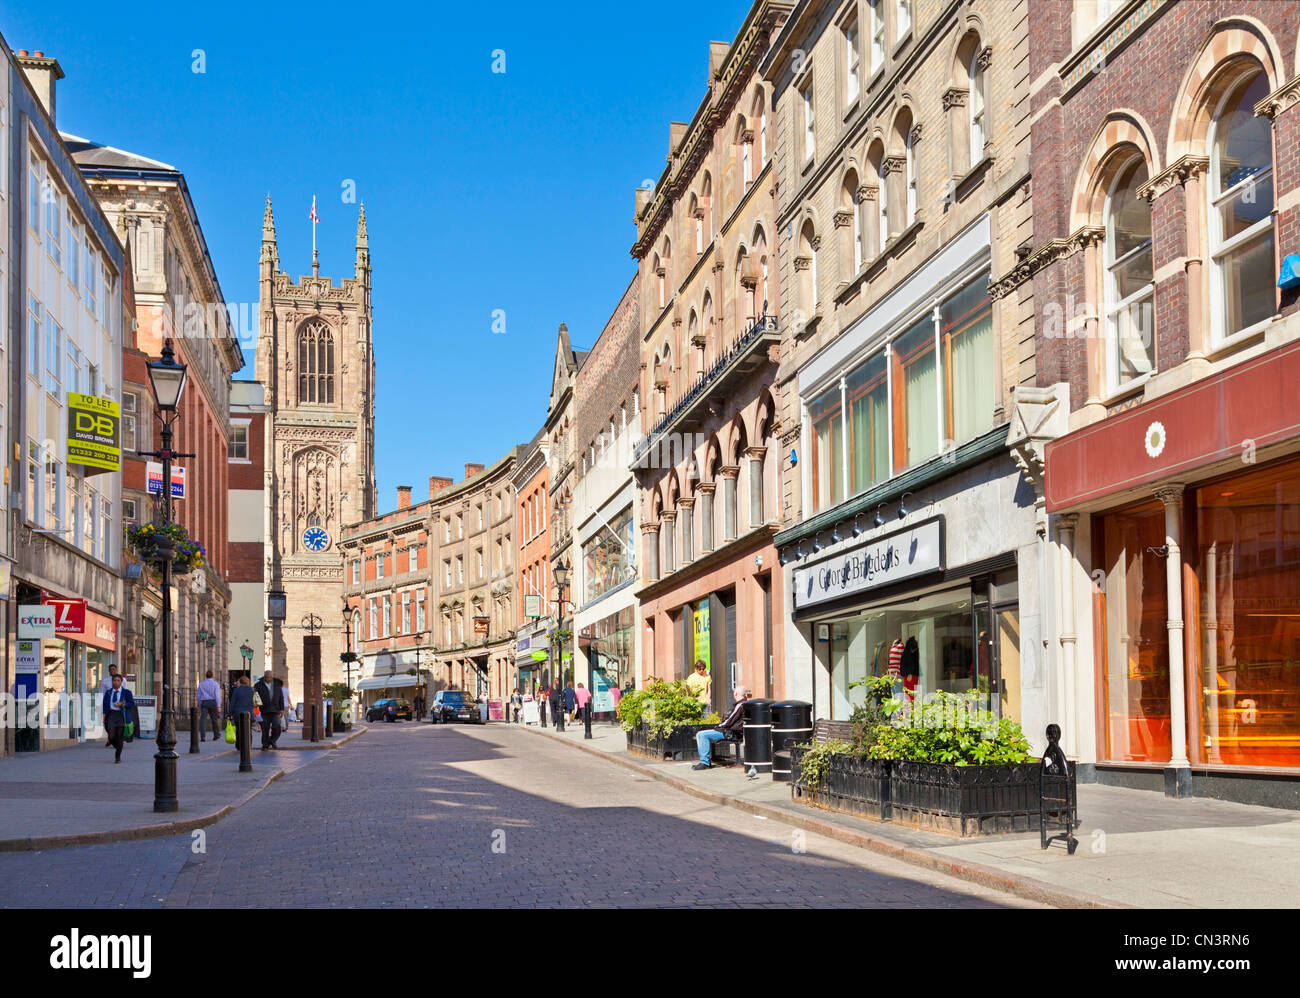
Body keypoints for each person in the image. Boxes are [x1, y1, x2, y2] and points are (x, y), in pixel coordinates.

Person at [693, 684, 750, 771]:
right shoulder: (744, 703)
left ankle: (705, 762)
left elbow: (730, 720)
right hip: (734, 731)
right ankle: (705, 761)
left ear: (736, 694)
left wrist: (719, 726)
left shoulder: (740, 705)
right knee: (701, 734)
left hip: (731, 732)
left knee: (701, 735)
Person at [102, 673, 135, 764]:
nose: (116, 682)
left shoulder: (126, 692)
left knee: (119, 736)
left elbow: (131, 703)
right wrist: (104, 715)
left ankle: (118, 756)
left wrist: (122, 704)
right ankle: (119, 747)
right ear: (112, 682)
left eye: (118, 681)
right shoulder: (108, 692)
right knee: (111, 736)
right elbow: (105, 705)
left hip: (121, 715)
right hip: (111, 715)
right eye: (114, 680)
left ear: (121, 682)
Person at [253, 670, 284, 750]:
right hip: (264, 710)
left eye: (270, 677)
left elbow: (281, 697)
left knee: (277, 725)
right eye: (267, 677)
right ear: (264, 677)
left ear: (272, 676)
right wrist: (257, 709)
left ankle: (272, 740)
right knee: (265, 728)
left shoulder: (277, 685)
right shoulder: (258, 685)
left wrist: (282, 709)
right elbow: (256, 697)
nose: (268, 679)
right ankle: (265, 744)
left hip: (275, 710)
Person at [228, 676, 255, 759]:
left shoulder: (237, 690)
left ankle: (239, 746)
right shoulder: (252, 690)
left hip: (238, 713)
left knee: (239, 730)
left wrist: (230, 713)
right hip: (249, 713)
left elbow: (232, 702)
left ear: (240, 682)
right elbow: (256, 702)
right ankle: (248, 746)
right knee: (248, 730)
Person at [196, 669, 222, 742]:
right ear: (213, 676)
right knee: (214, 719)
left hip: (204, 702)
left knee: (203, 719)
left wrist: (199, 704)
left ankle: (203, 736)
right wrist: (218, 705)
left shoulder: (201, 684)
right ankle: (216, 735)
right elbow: (217, 695)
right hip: (212, 702)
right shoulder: (215, 684)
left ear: (206, 676)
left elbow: (198, 695)